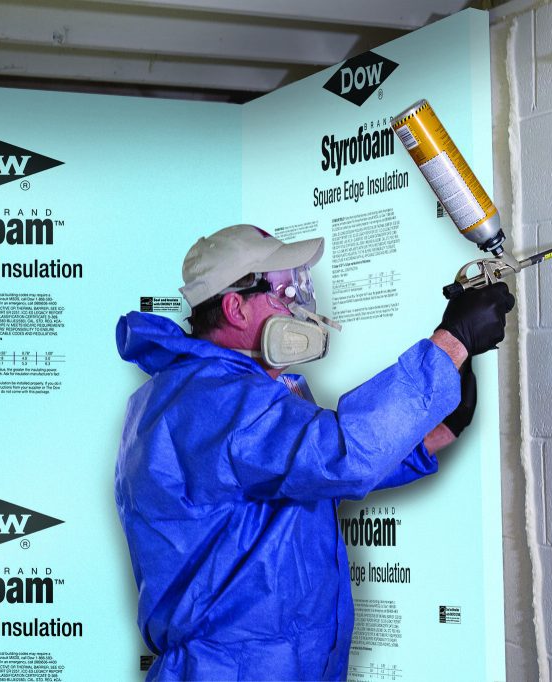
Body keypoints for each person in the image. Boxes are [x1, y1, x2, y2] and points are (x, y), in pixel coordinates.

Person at [114, 224, 514, 681]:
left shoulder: (219, 393)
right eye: (287, 291)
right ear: (234, 307)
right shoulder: (215, 401)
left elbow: (313, 475)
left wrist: (438, 425)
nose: (301, 305)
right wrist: (451, 343)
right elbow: (344, 452)